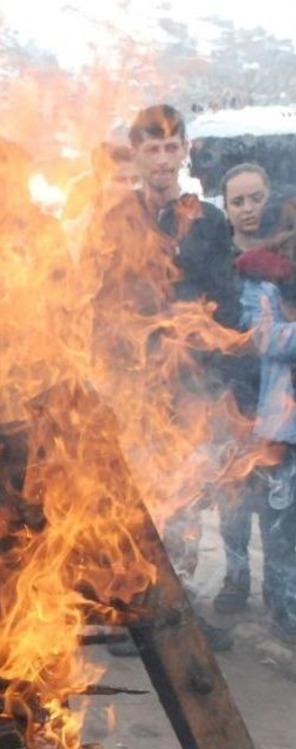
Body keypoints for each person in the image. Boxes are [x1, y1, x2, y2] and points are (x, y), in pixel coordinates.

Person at [91, 105, 250, 653]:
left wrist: (221, 386)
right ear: (135, 154)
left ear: (185, 151)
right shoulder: (115, 220)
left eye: (169, 147)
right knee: (142, 498)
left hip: (192, 384)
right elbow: (102, 301)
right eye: (150, 148)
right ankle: (144, 613)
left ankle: (173, 617)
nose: (161, 159)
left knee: (184, 500)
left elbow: (226, 307)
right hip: (136, 383)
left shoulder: (206, 222)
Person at [214, 163, 296, 620]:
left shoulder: (282, 258)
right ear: (226, 208)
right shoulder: (219, 255)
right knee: (233, 500)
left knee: (276, 506)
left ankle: (279, 596)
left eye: (256, 197)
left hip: (271, 399)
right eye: (238, 201)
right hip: (233, 392)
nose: (248, 208)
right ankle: (236, 577)